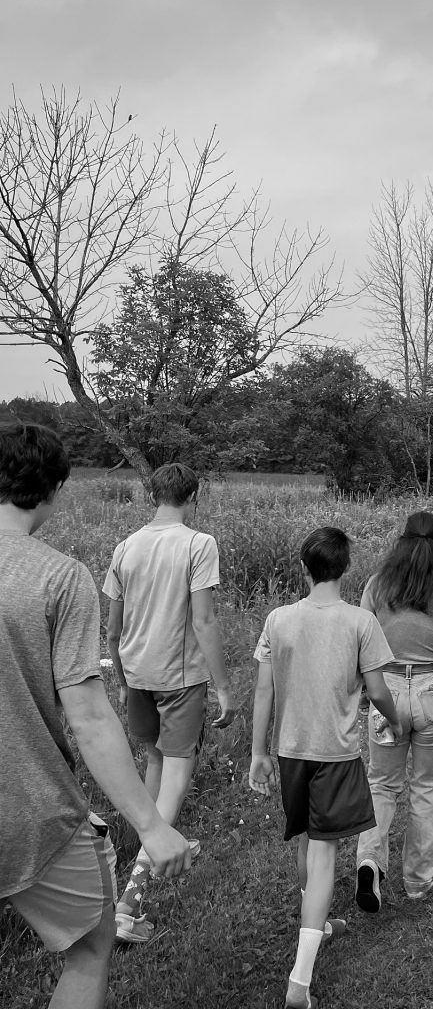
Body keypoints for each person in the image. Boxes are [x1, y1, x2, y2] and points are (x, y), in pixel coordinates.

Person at [0, 424, 191, 1009]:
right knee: (90, 948)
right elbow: (87, 717)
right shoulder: (56, 576)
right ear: (56, 488)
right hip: (29, 812)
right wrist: (152, 826)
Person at [249, 526, 401, 1009]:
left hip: (291, 751)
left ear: (303, 568)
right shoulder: (360, 622)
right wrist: (394, 720)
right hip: (335, 754)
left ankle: (315, 924)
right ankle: (300, 979)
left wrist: (258, 753)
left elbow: (264, 691)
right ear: (346, 567)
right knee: (322, 854)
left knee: (308, 839)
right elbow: (377, 691)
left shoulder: (279, 619)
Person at [103, 462, 235, 942]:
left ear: (151, 495)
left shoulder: (125, 547)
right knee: (176, 778)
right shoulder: (199, 544)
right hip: (180, 680)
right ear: (193, 497)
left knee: (154, 760)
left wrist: (121, 680)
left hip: (136, 673)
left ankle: (156, 836)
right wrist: (223, 686)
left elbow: (113, 630)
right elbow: (203, 621)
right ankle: (129, 902)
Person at [355, 510, 433, 909]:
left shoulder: (377, 586)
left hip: (385, 690)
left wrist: (359, 692)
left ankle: (370, 861)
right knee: (427, 785)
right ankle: (418, 879)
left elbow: (359, 646)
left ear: (402, 543)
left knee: (382, 783)